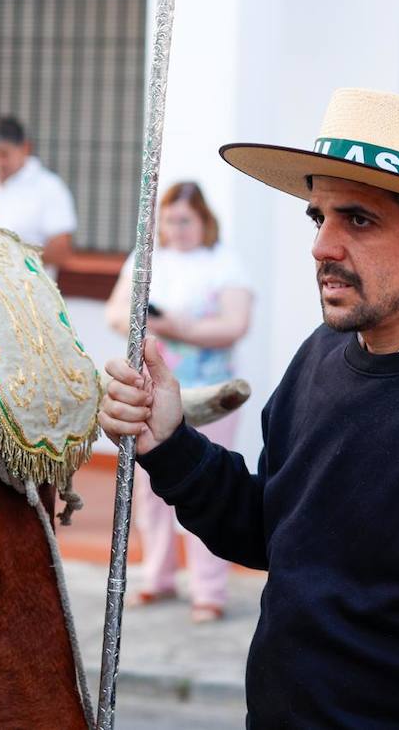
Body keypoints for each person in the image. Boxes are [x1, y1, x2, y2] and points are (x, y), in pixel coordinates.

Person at [100, 88, 399, 727]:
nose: (322, 246)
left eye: (358, 220)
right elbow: (272, 530)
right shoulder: (320, 358)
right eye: (318, 217)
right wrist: (169, 444)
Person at [105, 181, 252, 623]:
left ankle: (209, 590)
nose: (177, 228)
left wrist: (177, 327)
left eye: (186, 220)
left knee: (207, 480)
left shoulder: (225, 263)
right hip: (153, 391)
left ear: (203, 221)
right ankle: (158, 576)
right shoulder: (146, 260)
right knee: (151, 490)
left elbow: (234, 324)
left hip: (209, 393)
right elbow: (115, 313)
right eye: (170, 220)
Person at [0, 115, 77, 278]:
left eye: (4, 154)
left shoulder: (49, 187)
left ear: (25, 148)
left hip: (30, 288)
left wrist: (13, 260)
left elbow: (61, 249)